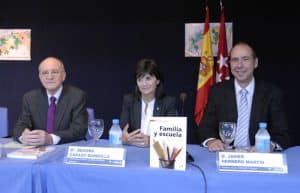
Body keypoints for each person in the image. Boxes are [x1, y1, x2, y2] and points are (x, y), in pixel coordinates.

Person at [197, 42, 290, 152]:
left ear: (255, 63)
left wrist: (270, 145)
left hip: (258, 158)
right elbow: (205, 128)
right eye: (235, 60)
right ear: (230, 63)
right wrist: (211, 141)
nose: (239, 65)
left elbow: (282, 134)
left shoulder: (272, 93)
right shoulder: (217, 91)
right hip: (225, 155)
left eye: (245, 59)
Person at [14, 57, 88, 145]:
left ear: (63, 76)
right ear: (40, 77)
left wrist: (51, 138)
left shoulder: (77, 96)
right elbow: (20, 125)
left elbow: (79, 130)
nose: (49, 77)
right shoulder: (30, 97)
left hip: (65, 147)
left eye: (55, 72)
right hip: (38, 150)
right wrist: (24, 136)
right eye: (45, 73)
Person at [120, 58, 177, 147]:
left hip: (158, 153)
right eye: (140, 79)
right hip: (134, 150)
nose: (144, 84)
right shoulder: (129, 101)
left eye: (148, 78)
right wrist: (124, 137)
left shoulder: (168, 103)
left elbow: (173, 136)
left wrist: (151, 141)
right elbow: (123, 129)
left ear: (157, 81)